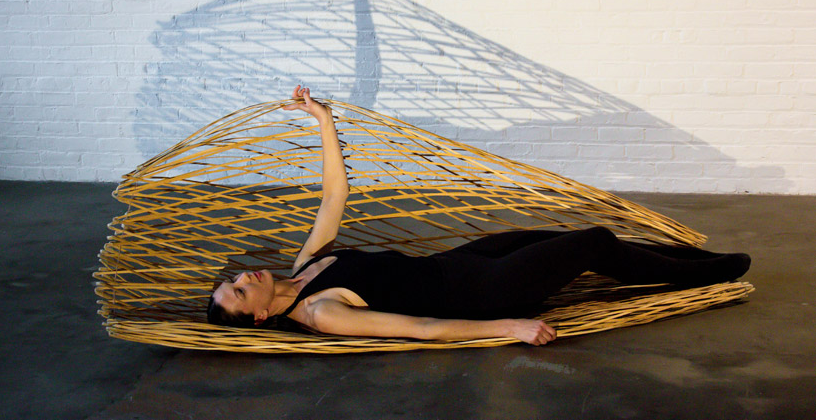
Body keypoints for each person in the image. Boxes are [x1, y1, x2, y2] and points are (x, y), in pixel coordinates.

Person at [208, 86, 751, 346]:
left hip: (458, 263)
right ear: (258, 318)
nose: (242, 279)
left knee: (570, 240)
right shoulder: (321, 312)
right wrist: (511, 327)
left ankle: (694, 259)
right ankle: (712, 272)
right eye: (237, 293)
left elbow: (334, 196)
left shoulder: (307, 266)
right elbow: (419, 327)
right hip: (482, 292)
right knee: (593, 240)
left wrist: (322, 120)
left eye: (231, 280)